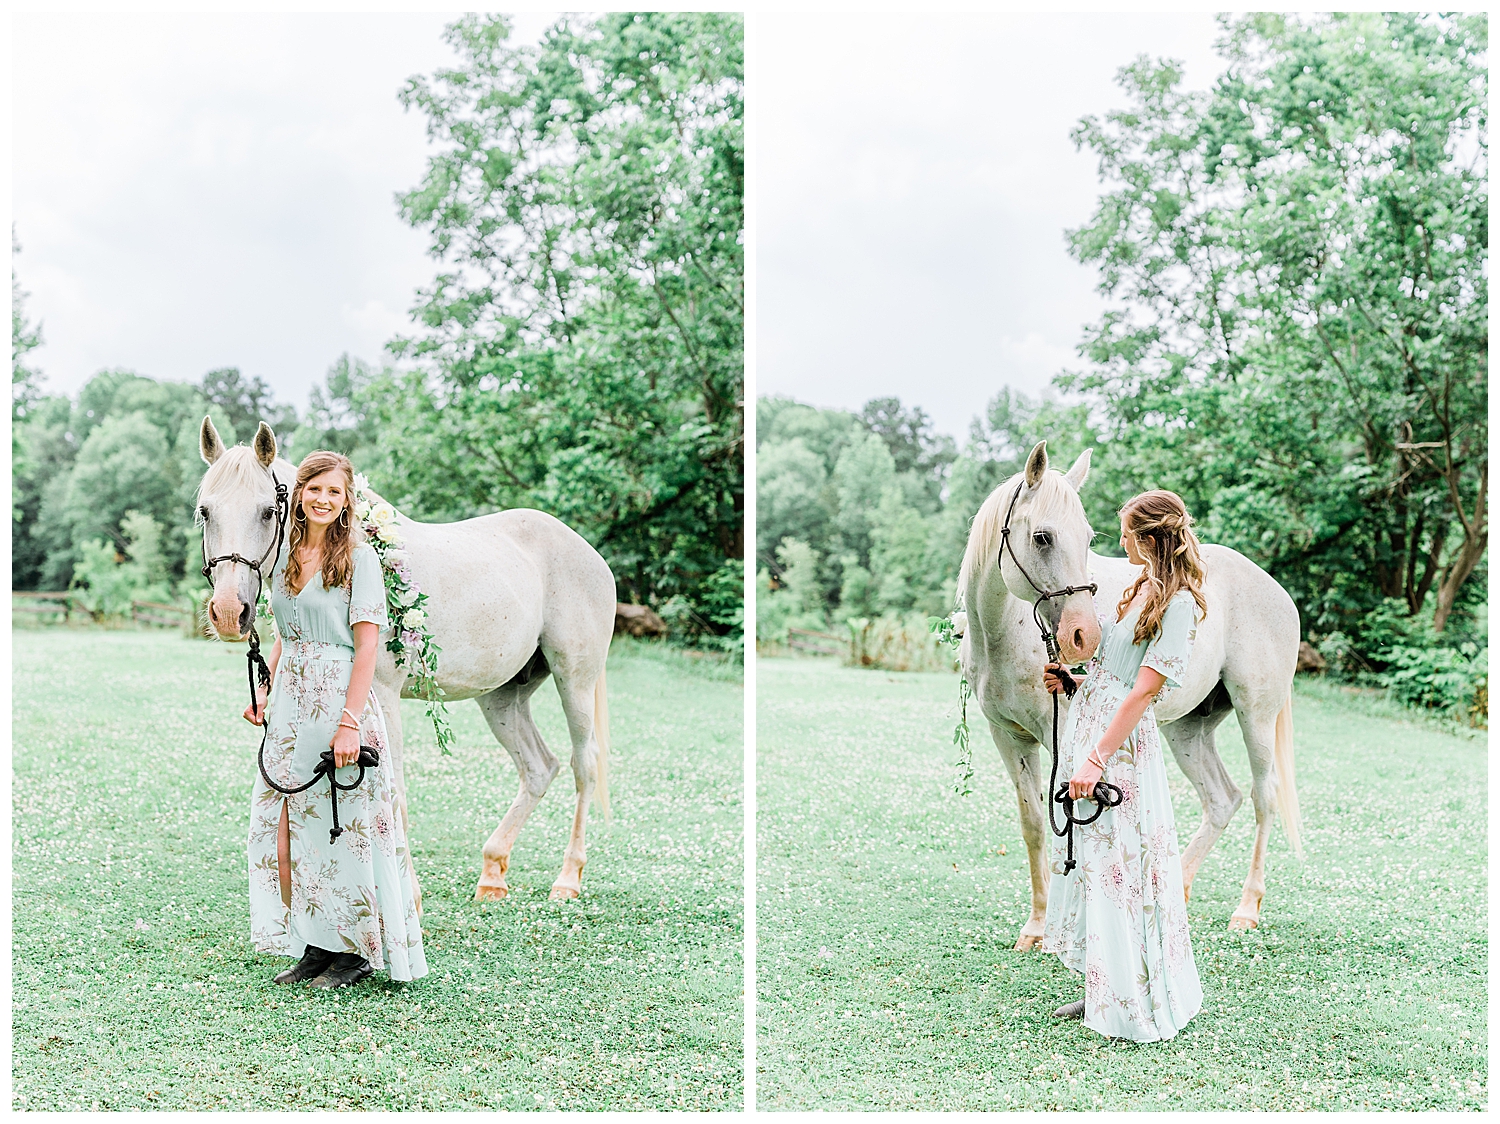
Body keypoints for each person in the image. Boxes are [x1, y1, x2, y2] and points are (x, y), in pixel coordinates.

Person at [242, 450, 427, 988]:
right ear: (299, 493)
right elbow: (283, 634)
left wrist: (350, 723)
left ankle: (356, 951)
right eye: (315, 489)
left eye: (335, 492)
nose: (323, 500)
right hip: (291, 707)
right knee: (286, 827)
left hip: (338, 700)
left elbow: (367, 648)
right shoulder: (282, 556)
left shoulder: (358, 558)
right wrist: (263, 688)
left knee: (341, 826)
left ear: (347, 501)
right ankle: (315, 943)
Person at [1039, 489, 1205, 1041]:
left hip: (1120, 747)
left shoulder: (1179, 604)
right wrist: (1074, 681)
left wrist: (1096, 758)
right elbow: (1115, 672)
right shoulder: (1144, 591)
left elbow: (1141, 695)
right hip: (1094, 722)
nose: (1122, 541)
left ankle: (1129, 997)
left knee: (1121, 867)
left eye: (1128, 532)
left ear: (1152, 536)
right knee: (1092, 862)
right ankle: (1099, 986)